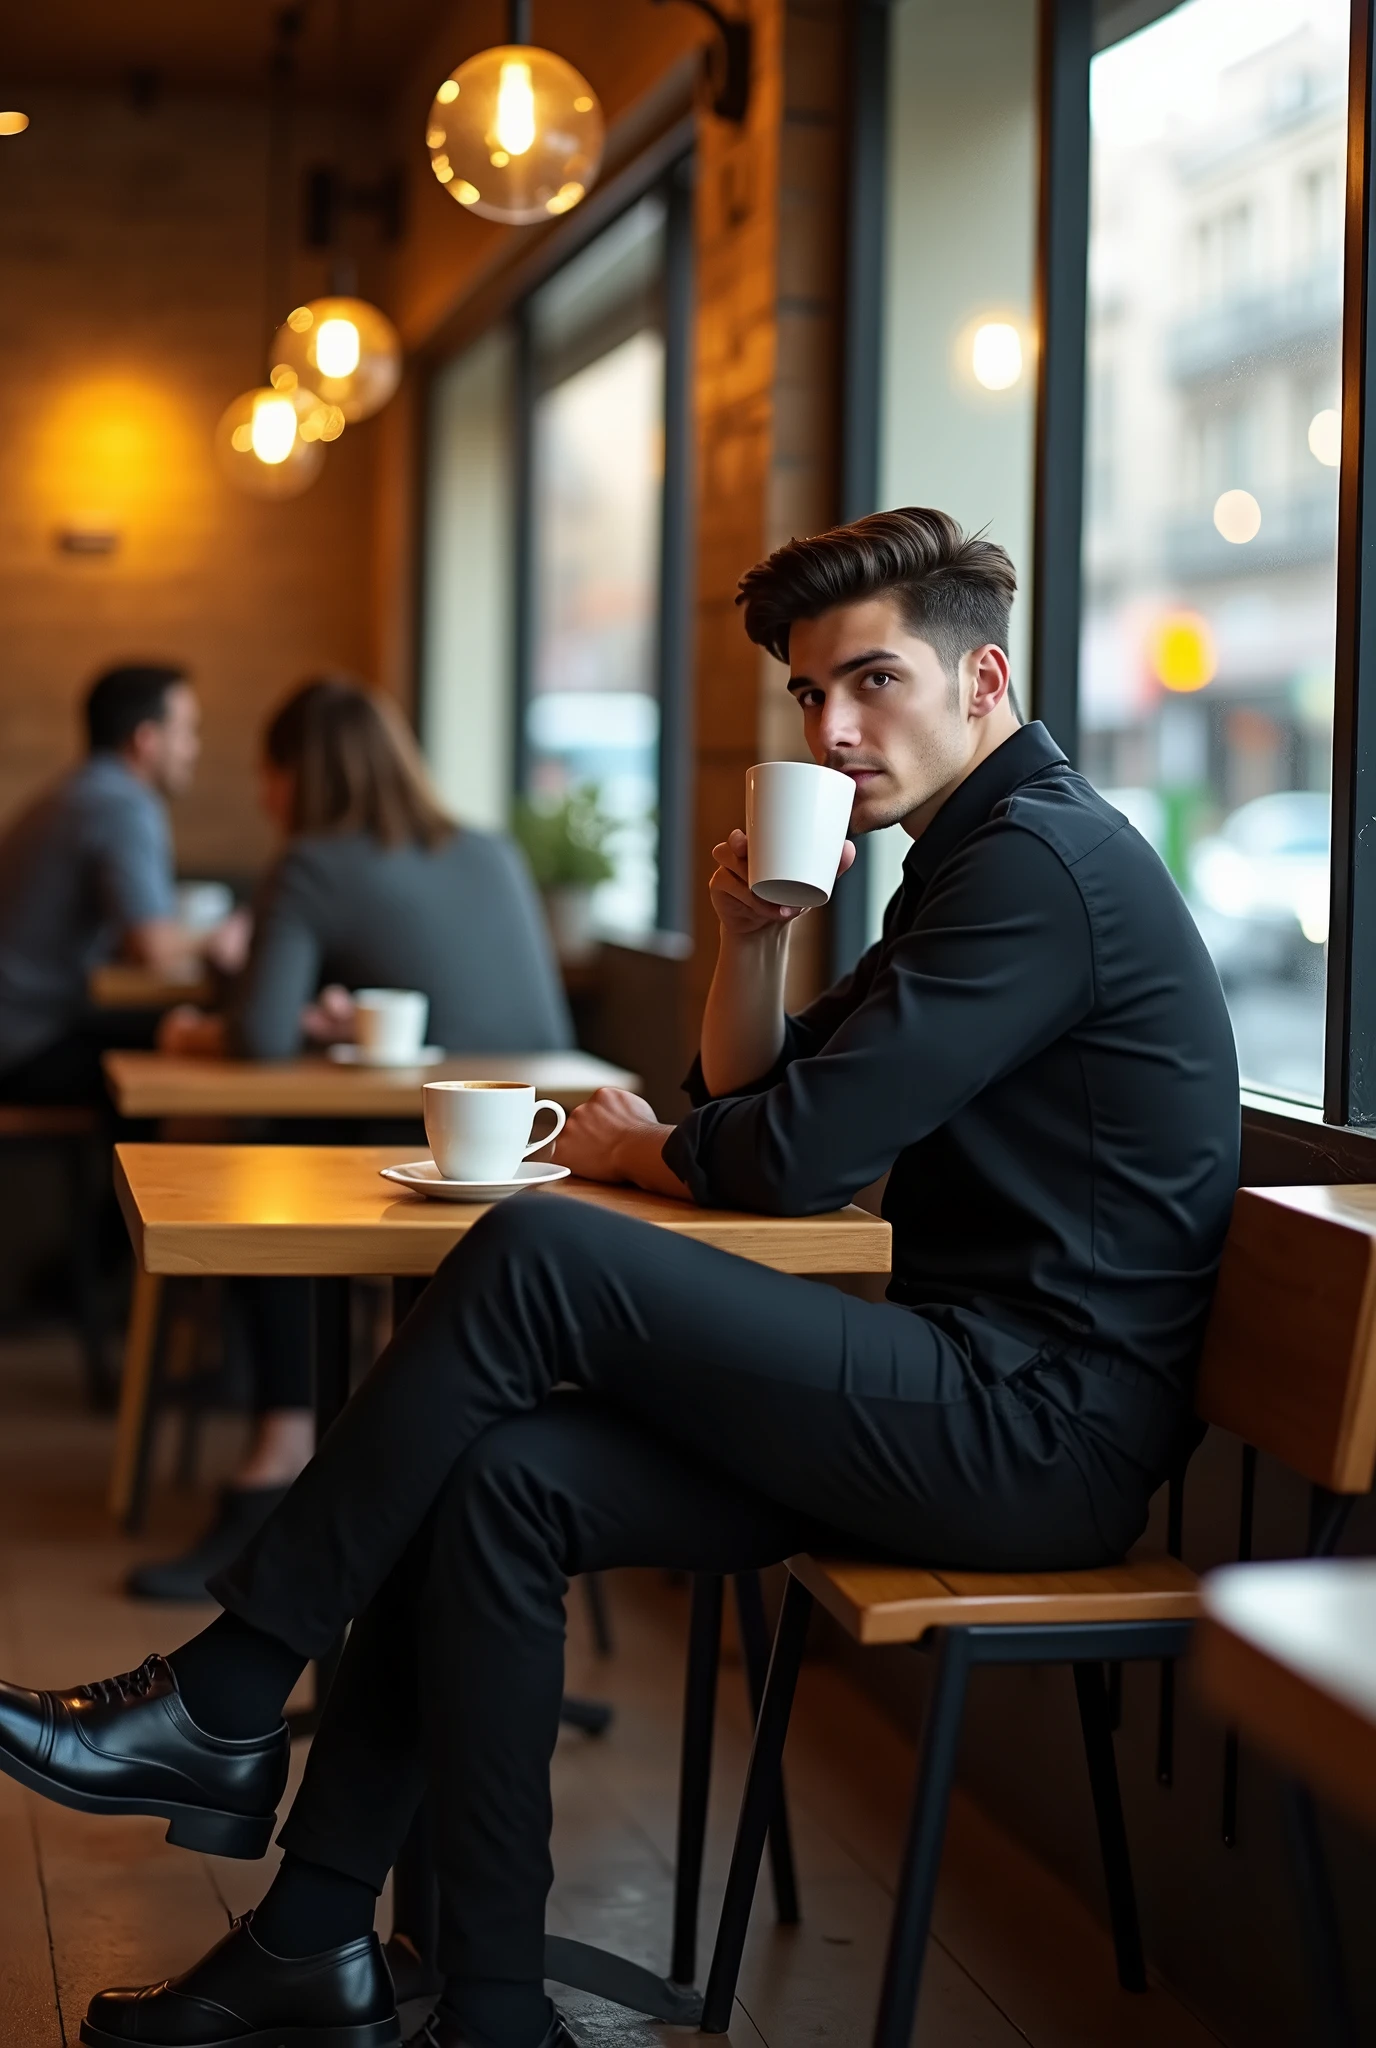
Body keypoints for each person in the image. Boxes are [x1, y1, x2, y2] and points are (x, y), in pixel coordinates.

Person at [0, 510, 1240, 2048]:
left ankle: (231, 1689)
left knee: (532, 1247)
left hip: (1034, 1429)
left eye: (872, 682)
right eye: (806, 695)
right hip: (954, 1386)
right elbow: (751, 1106)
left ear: (983, 675)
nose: (833, 727)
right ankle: (356, 1955)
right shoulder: (968, 856)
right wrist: (750, 937)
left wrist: (648, 1152)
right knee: (495, 1476)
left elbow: (774, 1157)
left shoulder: (1039, 868)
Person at [128, 676, 574, 1603]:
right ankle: (406, 1471)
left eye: (267, 772)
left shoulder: (314, 861)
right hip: (544, 1154)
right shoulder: (489, 849)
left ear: (296, 773)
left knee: (262, 1165)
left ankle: (282, 1449)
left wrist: (203, 1030)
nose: (261, 795)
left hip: (430, 1157)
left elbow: (253, 1036)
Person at [0, 663, 241, 1104]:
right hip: (24, 1043)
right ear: (146, 739)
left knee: (171, 1034)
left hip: (22, 1027)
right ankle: (136, 1174)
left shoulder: (73, 793)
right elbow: (153, 950)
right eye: (187, 731)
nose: (194, 748)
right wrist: (224, 937)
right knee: (189, 1063)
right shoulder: (122, 805)